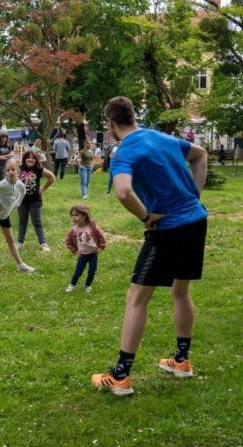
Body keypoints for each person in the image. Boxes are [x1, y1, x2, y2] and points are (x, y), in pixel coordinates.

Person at [90, 96, 208, 397]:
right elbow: (200, 155)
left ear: (111, 122)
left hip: (168, 228)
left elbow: (123, 190)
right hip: (196, 221)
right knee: (180, 291)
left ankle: (120, 377)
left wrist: (145, 217)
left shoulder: (124, 151)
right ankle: (181, 361)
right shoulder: (160, 137)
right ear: (133, 116)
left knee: (136, 298)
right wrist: (192, 195)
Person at [0, 160, 36, 279]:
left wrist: (16, 204)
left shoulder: (19, 184)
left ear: (17, 172)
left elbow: (23, 192)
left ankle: (20, 265)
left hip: (5, 215)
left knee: (11, 241)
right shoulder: (3, 184)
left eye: (13, 170)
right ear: (5, 173)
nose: (10, 172)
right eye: (8, 170)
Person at [16, 149, 55, 252]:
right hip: (22, 200)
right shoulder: (19, 168)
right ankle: (20, 242)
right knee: (22, 221)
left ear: (36, 160)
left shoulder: (39, 169)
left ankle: (43, 243)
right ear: (24, 159)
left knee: (37, 221)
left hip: (35, 200)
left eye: (33, 158)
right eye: (28, 157)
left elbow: (51, 177)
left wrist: (43, 189)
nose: (30, 160)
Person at [65, 204, 107, 293]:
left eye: (76, 215)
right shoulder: (73, 230)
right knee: (78, 272)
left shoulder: (92, 227)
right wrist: (75, 251)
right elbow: (68, 242)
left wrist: (101, 247)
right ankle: (72, 285)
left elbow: (101, 237)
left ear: (84, 216)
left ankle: (87, 285)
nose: (73, 217)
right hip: (82, 255)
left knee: (92, 271)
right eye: (72, 215)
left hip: (93, 254)